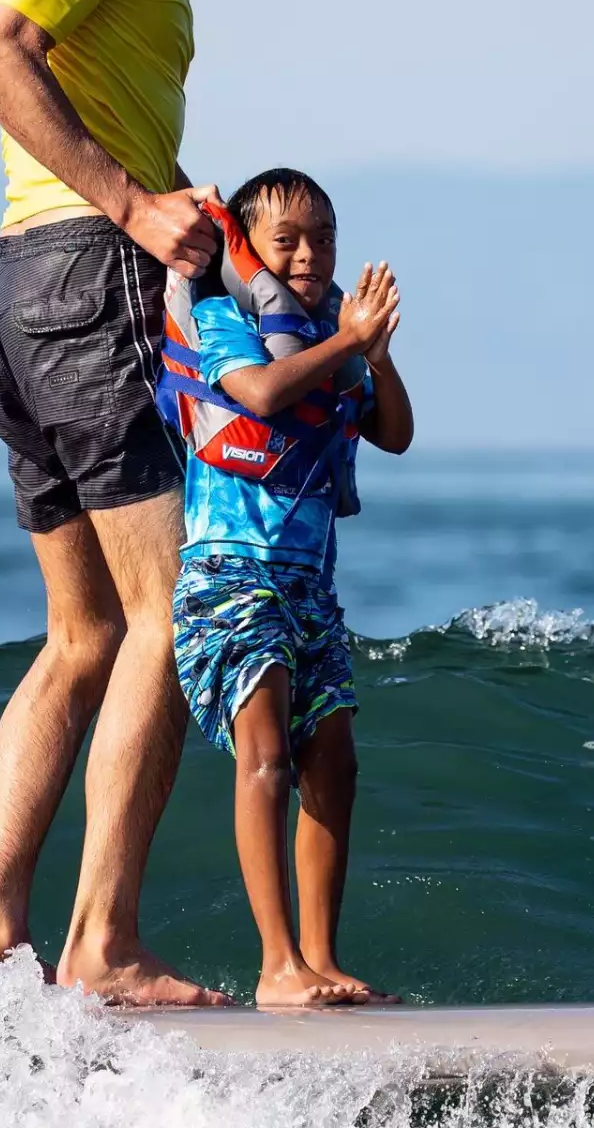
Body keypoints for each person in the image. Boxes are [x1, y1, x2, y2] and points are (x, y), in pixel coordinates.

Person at [0, 0, 334, 1003]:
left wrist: (175, 205)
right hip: (83, 279)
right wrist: (129, 204)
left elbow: (61, 84)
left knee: (85, 635)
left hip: (20, 289)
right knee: (175, 612)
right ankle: (103, 944)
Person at [163, 169, 414, 1005]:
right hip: (229, 577)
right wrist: (347, 343)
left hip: (310, 589)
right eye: (288, 241)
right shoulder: (222, 317)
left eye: (324, 239)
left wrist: (374, 355)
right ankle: (276, 966)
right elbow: (263, 393)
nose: (309, 255)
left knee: (334, 765)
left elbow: (396, 434)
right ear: (250, 249)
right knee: (266, 757)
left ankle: (320, 958)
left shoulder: (330, 335)